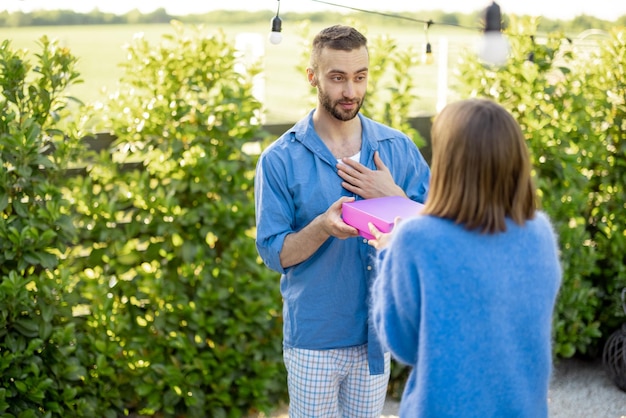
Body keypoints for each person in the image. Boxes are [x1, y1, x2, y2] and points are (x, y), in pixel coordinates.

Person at [254, 25, 431, 417]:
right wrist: (322, 228)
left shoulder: (397, 148)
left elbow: (438, 230)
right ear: (312, 77)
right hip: (314, 339)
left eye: (360, 76)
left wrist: (394, 196)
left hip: (376, 337)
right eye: (337, 78)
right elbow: (274, 254)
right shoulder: (279, 160)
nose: (351, 91)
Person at [368, 98, 562, 418]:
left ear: (448, 163)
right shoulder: (540, 233)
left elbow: (401, 343)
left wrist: (389, 255)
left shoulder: (415, 240)